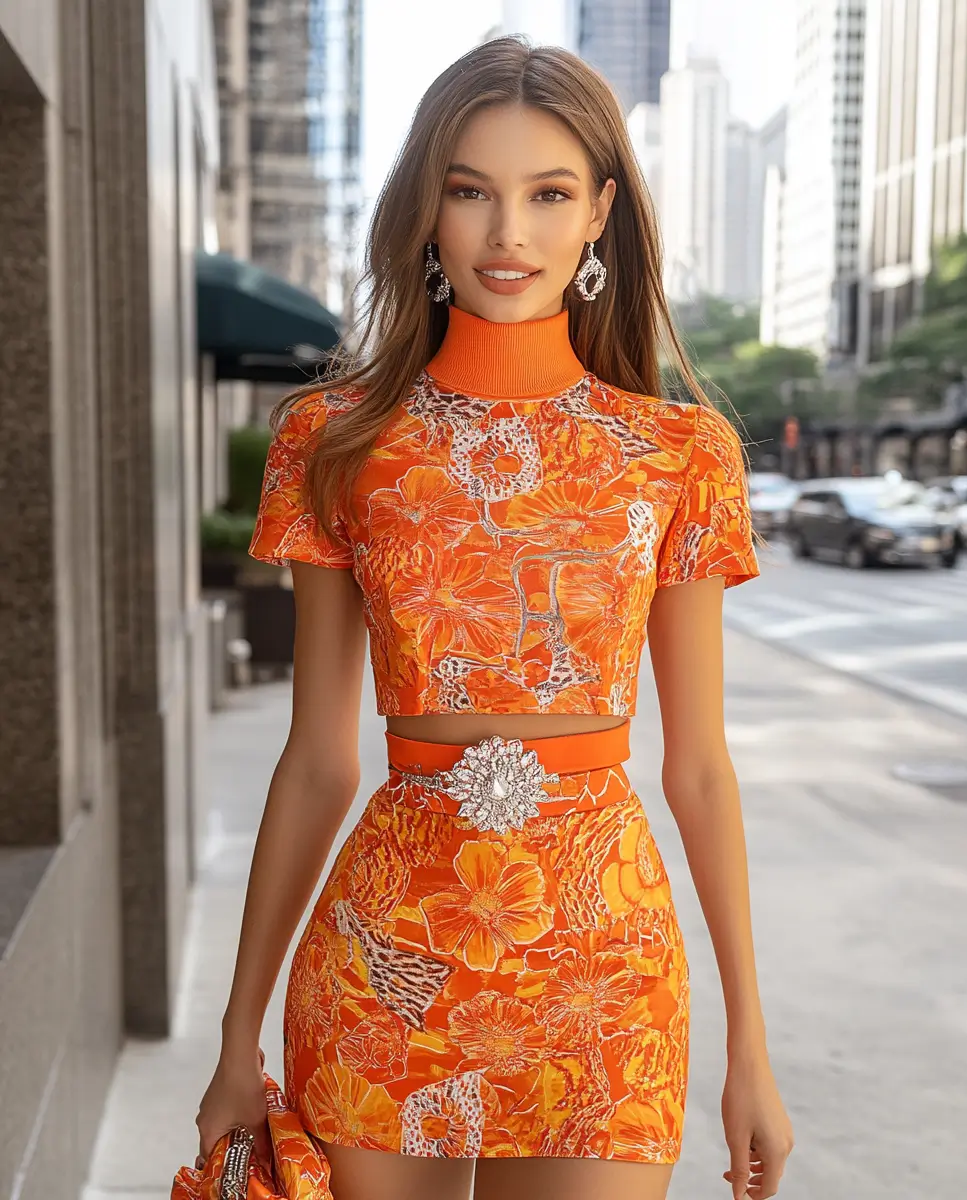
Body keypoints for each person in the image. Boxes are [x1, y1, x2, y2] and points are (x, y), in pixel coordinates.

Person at [194, 35, 794, 1200]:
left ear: (599, 215)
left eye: (547, 193)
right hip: (387, 961)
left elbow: (701, 772)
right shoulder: (333, 441)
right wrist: (235, 1036)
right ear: (427, 209)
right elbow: (316, 761)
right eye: (469, 191)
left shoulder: (677, 454)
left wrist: (748, 1052)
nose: (506, 231)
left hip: (604, 964)